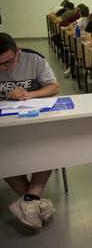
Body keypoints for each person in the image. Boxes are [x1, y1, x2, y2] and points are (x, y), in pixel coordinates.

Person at [0, 33, 60, 229]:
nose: (4, 68)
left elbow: (54, 87)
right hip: (4, 121)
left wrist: (29, 94)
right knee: (3, 149)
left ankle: (29, 199)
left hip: (34, 118)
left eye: (7, 63)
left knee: (49, 142)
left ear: (17, 53)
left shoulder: (34, 59)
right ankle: (33, 201)